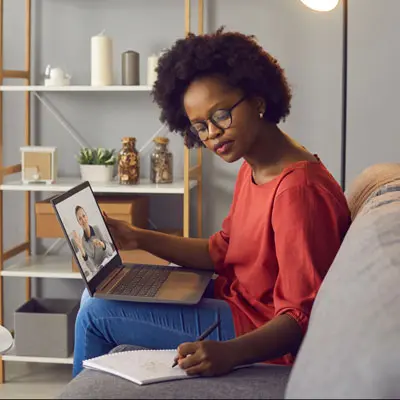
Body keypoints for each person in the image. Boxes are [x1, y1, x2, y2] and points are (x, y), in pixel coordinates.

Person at [72, 29, 351, 378]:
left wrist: (229, 353)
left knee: (96, 312)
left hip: (253, 331)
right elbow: (221, 252)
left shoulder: (298, 192)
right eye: (200, 126)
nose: (212, 134)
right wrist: (137, 237)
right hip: (229, 301)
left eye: (221, 115)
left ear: (259, 101)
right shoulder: (254, 165)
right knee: (96, 294)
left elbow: (301, 317)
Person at [72, 205, 114, 275]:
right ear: (78, 222)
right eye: (80, 219)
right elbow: (92, 268)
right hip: (100, 272)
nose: (83, 220)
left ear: (87, 216)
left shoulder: (97, 228)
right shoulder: (82, 242)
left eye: (84, 216)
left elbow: (110, 252)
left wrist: (103, 245)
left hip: (110, 265)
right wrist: (81, 248)